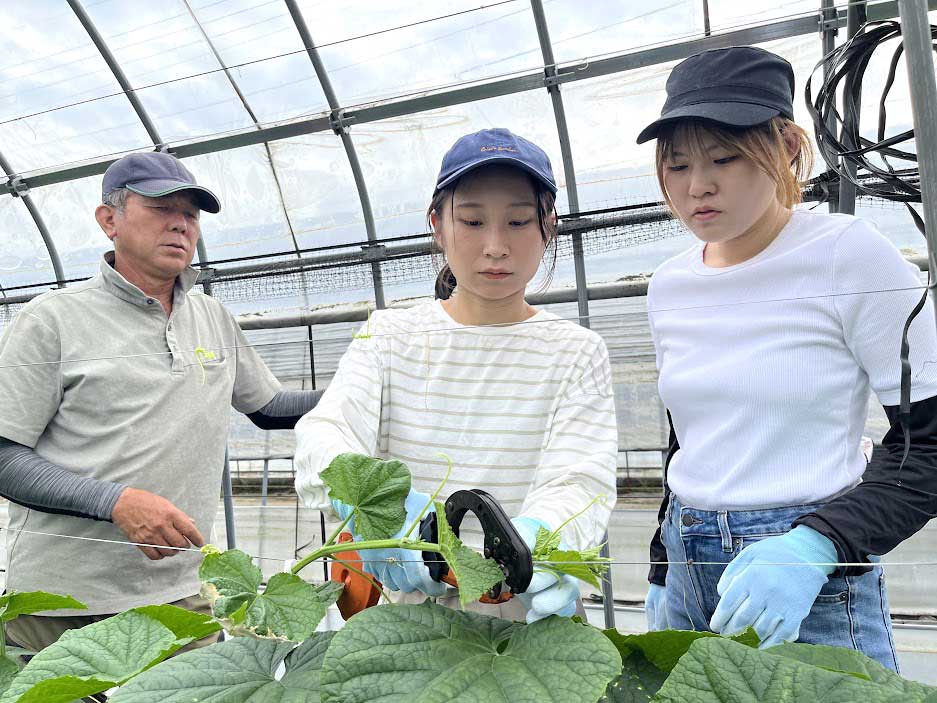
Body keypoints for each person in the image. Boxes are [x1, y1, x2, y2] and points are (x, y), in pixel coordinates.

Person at [637, 45, 937, 670]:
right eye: (678, 163)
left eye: (724, 158)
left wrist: (817, 546)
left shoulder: (847, 254)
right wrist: (662, 568)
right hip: (686, 551)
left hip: (807, 566)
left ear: (786, 150)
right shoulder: (669, 283)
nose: (698, 186)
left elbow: (929, 439)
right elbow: (687, 436)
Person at [0, 151, 322, 652]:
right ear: (109, 220)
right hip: (62, 605)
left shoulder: (212, 317)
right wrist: (116, 502)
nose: (180, 225)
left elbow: (268, 407)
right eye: (160, 208)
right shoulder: (52, 321)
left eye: (190, 215)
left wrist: (371, 384)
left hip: (179, 593)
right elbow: (5, 457)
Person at [294, 128, 618, 623]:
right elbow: (325, 434)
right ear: (437, 225)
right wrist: (379, 506)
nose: (495, 247)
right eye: (471, 221)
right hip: (408, 621)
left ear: (548, 225)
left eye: (517, 221)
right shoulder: (390, 336)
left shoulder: (576, 350)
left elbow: (580, 478)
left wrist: (542, 538)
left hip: (529, 618)